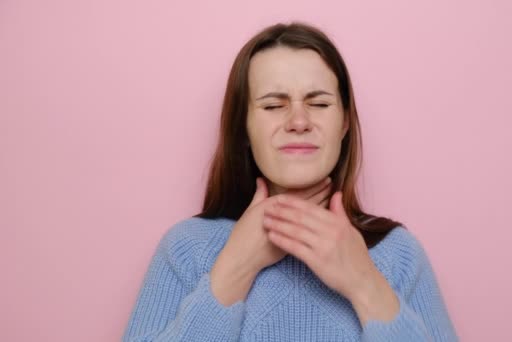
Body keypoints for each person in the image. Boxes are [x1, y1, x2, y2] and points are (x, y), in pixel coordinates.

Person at [122, 21, 459, 341]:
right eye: (272, 106)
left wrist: (364, 283)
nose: (299, 121)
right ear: (243, 128)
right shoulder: (187, 249)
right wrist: (234, 270)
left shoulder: (397, 254)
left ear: (344, 124)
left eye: (319, 103)